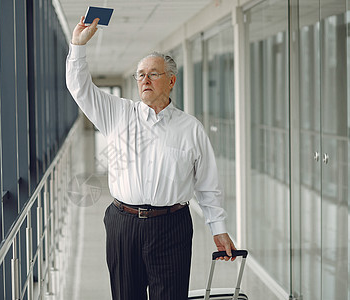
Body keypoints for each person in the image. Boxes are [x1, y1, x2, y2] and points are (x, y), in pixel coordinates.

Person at [66, 16, 236, 300]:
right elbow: (80, 88)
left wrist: (218, 229)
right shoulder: (118, 114)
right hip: (124, 224)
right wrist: (77, 46)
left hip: (172, 226)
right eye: (140, 75)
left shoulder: (190, 128)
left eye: (153, 74)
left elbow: (207, 185)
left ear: (171, 80)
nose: (145, 80)